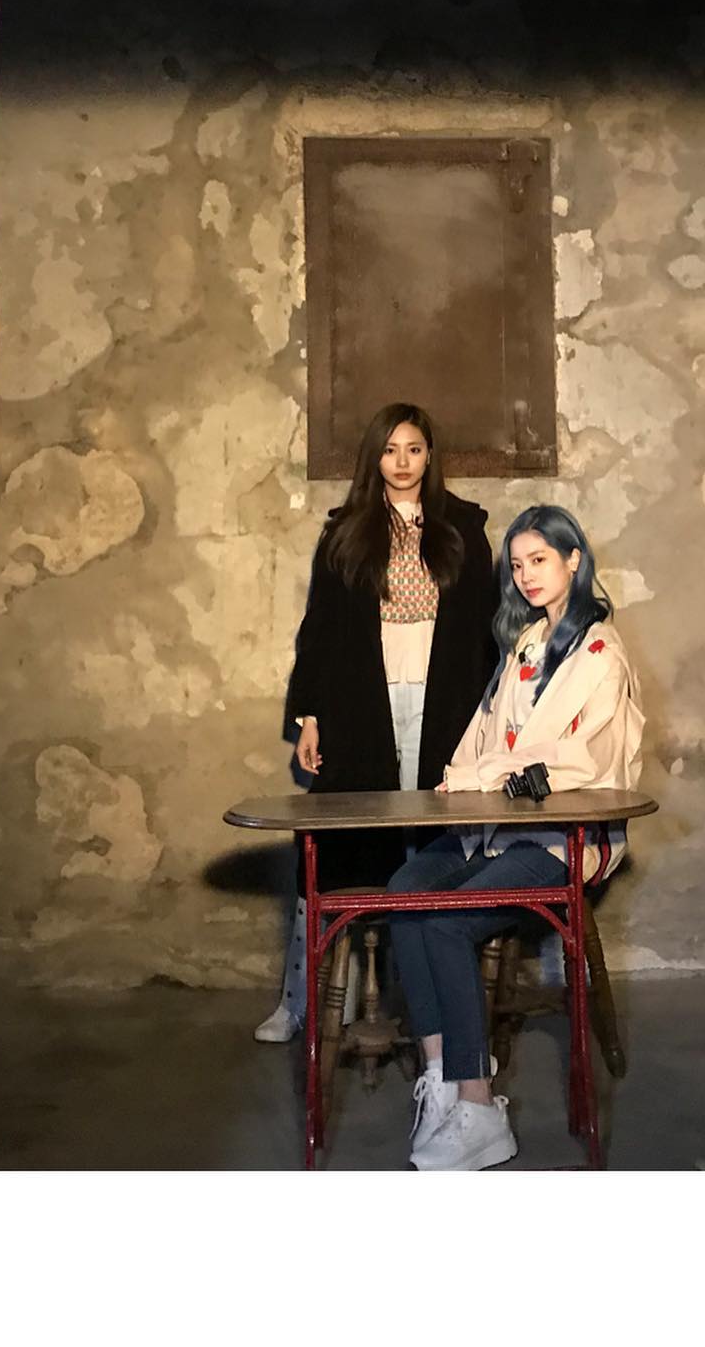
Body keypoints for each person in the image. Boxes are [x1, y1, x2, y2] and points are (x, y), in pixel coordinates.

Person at [387, 503, 644, 1170]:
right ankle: (444, 1080)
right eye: (519, 564)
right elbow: (484, 733)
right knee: (405, 893)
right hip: (498, 827)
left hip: (560, 838)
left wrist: (492, 773)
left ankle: (480, 1109)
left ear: (574, 561)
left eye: (541, 560)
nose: (527, 575)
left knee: (445, 921)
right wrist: (460, 777)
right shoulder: (526, 644)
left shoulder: (600, 653)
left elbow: (581, 761)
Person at [254, 403, 497, 1043]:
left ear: (429, 455)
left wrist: (496, 715)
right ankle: (301, 1003)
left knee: (437, 845)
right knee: (337, 849)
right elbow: (320, 629)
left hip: (446, 706)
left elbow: (487, 628)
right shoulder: (347, 532)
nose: (402, 462)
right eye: (390, 450)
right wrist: (310, 716)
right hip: (363, 705)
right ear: (375, 458)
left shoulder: (464, 529)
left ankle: (438, 1014)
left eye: (414, 449)